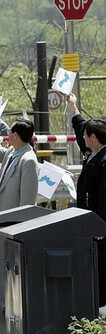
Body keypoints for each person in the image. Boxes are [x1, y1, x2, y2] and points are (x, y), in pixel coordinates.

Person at [67, 93, 106, 305]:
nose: (82, 138)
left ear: (94, 137)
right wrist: (73, 110)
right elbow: (82, 126)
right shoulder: (94, 154)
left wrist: (99, 225)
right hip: (90, 225)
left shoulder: (104, 160)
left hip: (99, 228)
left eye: (86, 135)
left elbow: (104, 197)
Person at [0, 111, 38, 213]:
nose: (7, 133)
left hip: (14, 222)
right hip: (3, 217)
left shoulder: (28, 161)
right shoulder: (11, 151)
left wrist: (21, 226)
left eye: (9, 131)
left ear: (16, 136)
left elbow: (28, 202)